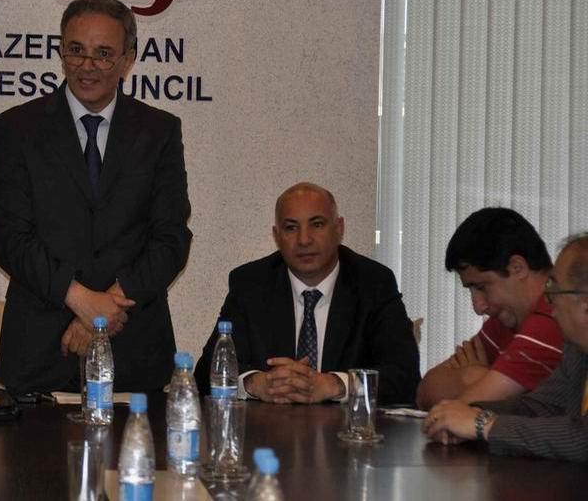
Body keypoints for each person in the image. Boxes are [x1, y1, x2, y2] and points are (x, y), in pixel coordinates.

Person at [0, 0, 192, 394]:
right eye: (76, 50)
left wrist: (106, 309)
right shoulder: (18, 128)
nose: (87, 65)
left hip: (135, 350)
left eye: (103, 54)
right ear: (61, 52)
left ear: (128, 59)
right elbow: (11, 240)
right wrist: (80, 299)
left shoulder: (159, 132)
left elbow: (171, 239)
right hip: (39, 353)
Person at [195, 182, 419, 405]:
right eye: (291, 228)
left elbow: (405, 376)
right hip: (268, 426)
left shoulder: (374, 284)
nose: (304, 240)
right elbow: (206, 371)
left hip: (346, 427)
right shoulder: (250, 285)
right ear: (277, 235)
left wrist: (335, 385)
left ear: (339, 229)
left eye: (317, 224)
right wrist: (254, 384)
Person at [424, 233, 588, 462]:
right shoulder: (577, 351)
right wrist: (468, 413)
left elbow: (582, 438)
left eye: (554, 292)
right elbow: (540, 406)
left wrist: (483, 425)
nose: (550, 306)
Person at [416, 207, 561, 409]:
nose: (478, 307)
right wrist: (475, 376)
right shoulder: (507, 320)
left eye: (481, 287)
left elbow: (453, 414)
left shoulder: (554, 318)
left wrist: (473, 379)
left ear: (518, 267)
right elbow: (425, 392)